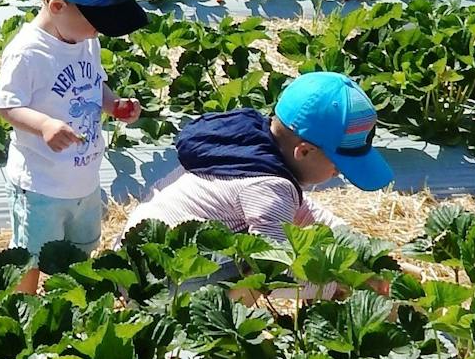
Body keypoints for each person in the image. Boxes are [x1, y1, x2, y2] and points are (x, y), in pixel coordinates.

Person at [0, 0, 146, 292]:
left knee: (81, 251)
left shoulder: (86, 40)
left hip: (84, 179)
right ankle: (23, 306)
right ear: (58, 6)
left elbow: (95, 85)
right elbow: (6, 105)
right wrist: (44, 124)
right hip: (41, 185)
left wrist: (113, 104)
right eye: (96, 22)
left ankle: (72, 300)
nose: (99, 31)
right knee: (30, 257)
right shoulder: (27, 52)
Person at [122, 71, 393, 247]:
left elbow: (302, 209)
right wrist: (340, 283)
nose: (337, 174)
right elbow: (274, 267)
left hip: (137, 247)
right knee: (249, 274)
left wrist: (363, 250)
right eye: (338, 164)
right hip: (160, 277)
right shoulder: (267, 186)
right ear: (305, 151)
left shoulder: (247, 148)